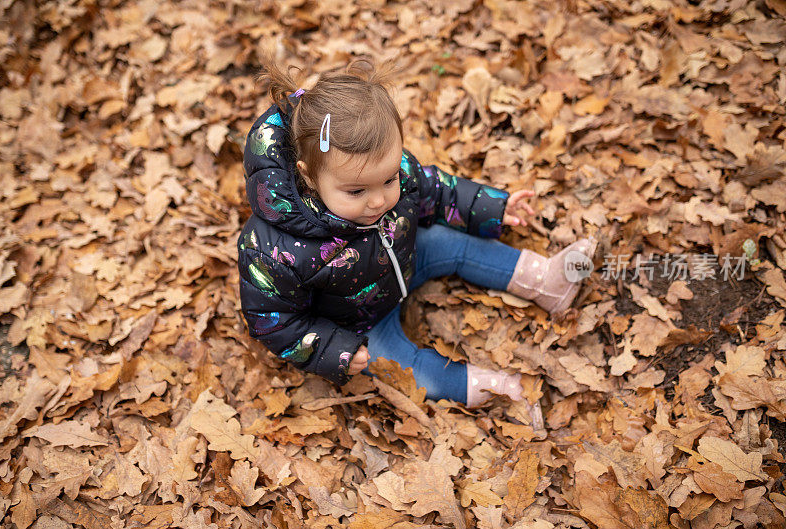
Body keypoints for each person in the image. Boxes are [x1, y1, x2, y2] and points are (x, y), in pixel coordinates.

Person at [237, 58, 598, 434]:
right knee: (405, 368)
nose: (379, 201)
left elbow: (437, 190)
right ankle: (489, 388)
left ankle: (546, 281)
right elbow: (273, 320)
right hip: (358, 322)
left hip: (406, 256)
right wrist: (332, 349)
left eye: (389, 179)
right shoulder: (272, 250)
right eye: (357, 191)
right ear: (309, 176)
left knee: (448, 240)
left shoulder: (391, 171)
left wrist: (491, 205)